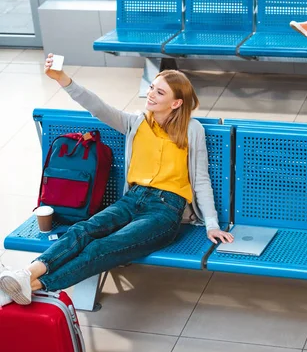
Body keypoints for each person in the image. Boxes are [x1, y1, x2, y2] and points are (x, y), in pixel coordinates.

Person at [0, 55, 233, 307]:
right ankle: (26, 275)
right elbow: (97, 107)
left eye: (160, 92)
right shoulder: (135, 123)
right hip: (132, 200)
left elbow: (200, 180)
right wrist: (63, 80)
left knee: (103, 247)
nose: (151, 94)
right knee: (82, 230)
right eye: (152, 87)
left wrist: (211, 224)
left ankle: (32, 287)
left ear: (176, 103)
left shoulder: (192, 130)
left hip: (165, 210)